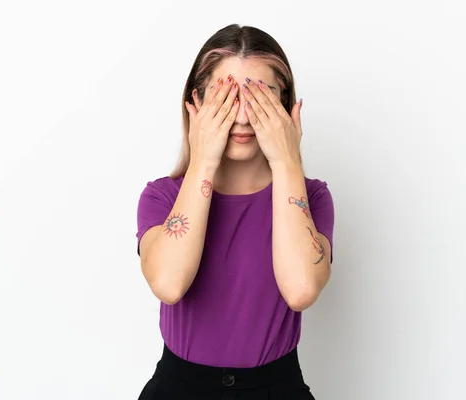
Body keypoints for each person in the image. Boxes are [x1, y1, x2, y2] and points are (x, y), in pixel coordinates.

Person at [135, 24, 335, 400]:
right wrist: (203, 160)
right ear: (195, 104)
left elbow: (301, 290)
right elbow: (168, 284)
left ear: (287, 107)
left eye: (260, 98)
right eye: (225, 98)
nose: (242, 117)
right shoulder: (163, 197)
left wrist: (287, 160)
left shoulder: (313, 197)